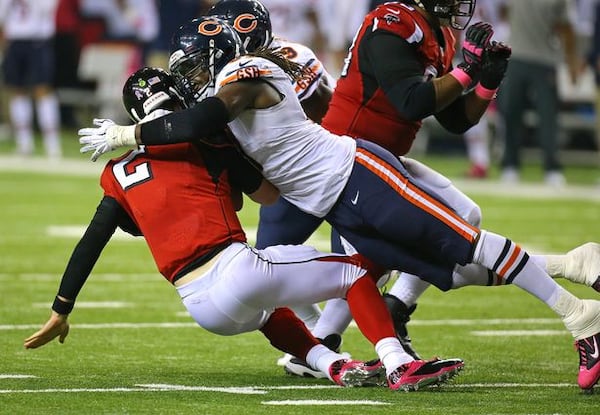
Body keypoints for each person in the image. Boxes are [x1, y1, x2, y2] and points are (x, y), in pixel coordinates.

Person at [78, 17, 600, 391]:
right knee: (450, 263)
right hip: (332, 200)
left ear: (233, 43)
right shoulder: (226, 90)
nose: (193, 74)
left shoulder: (248, 72)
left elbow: (198, 121)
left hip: (355, 174)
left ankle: (581, 319)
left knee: (468, 237)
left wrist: (131, 132)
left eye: (197, 62)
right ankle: (575, 264)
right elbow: (262, 189)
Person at [28, 66, 465, 392]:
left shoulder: (117, 173)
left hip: (200, 305)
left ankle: (332, 363)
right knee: (354, 273)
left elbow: (96, 238)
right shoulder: (206, 139)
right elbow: (264, 196)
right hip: (233, 268)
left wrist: (61, 308)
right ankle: (395, 363)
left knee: (269, 309)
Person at [206, 0, 336, 366]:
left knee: (364, 257)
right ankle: (319, 334)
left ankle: (380, 326)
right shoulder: (233, 68)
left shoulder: (286, 57)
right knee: (270, 266)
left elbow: (326, 114)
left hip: (325, 169)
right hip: (285, 183)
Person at [498, 0, 580, 186]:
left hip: (545, 59)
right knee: (510, 112)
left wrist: (571, 61)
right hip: (516, 55)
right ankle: (510, 165)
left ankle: (552, 168)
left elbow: (567, 27)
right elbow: (503, 12)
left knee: (548, 115)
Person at [0, 0, 62, 159]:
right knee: (17, 90)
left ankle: (52, 144)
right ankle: (24, 143)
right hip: (15, 41)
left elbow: (48, 8)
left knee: (42, 90)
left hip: (37, 40)